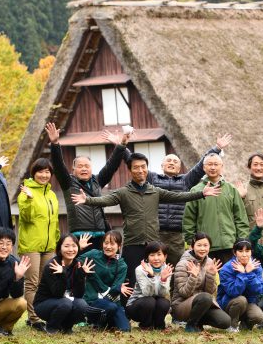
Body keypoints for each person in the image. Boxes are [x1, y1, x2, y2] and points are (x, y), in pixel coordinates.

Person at [72, 153, 221, 285]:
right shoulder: (123, 192)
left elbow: (180, 196)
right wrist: (88, 200)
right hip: (132, 242)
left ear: (147, 169)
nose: (140, 170)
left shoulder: (155, 191)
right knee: (131, 278)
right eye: (136, 167)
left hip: (152, 242)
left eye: (143, 167)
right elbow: (105, 200)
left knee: (154, 278)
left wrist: (201, 193)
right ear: (130, 170)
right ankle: (129, 311)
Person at [139, 134, 231, 267]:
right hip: (155, 232)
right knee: (155, 266)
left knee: (177, 267)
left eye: (175, 162)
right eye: (168, 160)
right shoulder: (152, 179)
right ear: (162, 165)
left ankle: (176, 288)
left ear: (179, 167)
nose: (171, 163)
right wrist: (122, 145)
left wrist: (216, 148)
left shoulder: (185, 181)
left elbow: (200, 166)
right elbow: (137, 166)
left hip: (177, 235)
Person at [45, 123, 129, 252]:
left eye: (87, 166)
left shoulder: (97, 181)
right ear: (73, 169)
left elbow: (111, 166)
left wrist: (120, 146)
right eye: (80, 166)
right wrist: (55, 144)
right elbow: (58, 165)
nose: (84, 169)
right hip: (81, 236)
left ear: (91, 168)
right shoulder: (68, 182)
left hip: (101, 235)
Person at [17, 158, 60, 331]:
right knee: (32, 282)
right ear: (33, 173)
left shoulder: (51, 194)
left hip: (49, 246)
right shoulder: (25, 191)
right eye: (40, 171)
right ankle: (34, 319)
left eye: (47, 171)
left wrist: (56, 242)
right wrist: (28, 199)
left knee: (45, 282)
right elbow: (26, 218)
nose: (44, 175)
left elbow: (55, 221)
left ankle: (41, 315)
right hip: (31, 245)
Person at [183, 153, 250, 264]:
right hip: (204, 246)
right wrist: (191, 241)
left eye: (216, 164)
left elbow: (240, 217)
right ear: (204, 167)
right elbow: (189, 219)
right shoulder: (196, 191)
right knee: (206, 279)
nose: (213, 167)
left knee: (228, 278)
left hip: (229, 244)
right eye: (209, 164)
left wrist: (242, 240)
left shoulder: (231, 189)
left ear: (221, 166)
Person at [171, 233, 231, 332]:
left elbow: (209, 292)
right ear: (192, 246)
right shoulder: (183, 264)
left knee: (225, 321)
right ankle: (191, 325)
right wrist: (193, 277)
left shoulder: (210, 262)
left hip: (203, 303)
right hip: (181, 306)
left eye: (205, 245)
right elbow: (184, 293)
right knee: (205, 298)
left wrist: (210, 275)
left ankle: (198, 321)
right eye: (199, 245)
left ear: (209, 247)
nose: (202, 248)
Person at [33, 234, 92, 334]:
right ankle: (51, 327)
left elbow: (79, 295)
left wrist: (81, 276)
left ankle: (66, 327)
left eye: (74, 246)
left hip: (65, 301)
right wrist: (63, 274)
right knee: (65, 303)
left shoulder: (78, 264)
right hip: (44, 304)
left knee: (82, 305)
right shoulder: (52, 265)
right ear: (59, 249)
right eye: (66, 246)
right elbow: (57, 293)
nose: (71, 249)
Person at [78, 230, 132, 331]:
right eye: (106, 243)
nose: (108, 247)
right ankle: (94, 321)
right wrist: (79, 248)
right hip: (92, 300)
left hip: (111, 301)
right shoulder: (93, 254)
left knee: (125, 329)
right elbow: (74, 262)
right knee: (110, 308)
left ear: (119, 246)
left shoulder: (122, 265)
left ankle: (106, 322)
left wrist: (92, 275)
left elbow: (114, 290)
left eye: (112, 244)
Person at [217, 239, 263, 332]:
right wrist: (243, 275)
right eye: (240, 251)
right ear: (234, 253)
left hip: (249, 302)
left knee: (258, 317)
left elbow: (260, 290)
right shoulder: (226, 269)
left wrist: (249, 273)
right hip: (228, 303)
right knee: (241, 300)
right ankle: (232, 326)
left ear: (251, 252)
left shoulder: (256, 266)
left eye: (247, 251)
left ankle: (245, 325)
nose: (244, 255)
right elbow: (233, 292)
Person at [126, 241, 173, 330]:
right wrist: (151, 276)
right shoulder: (140, 269)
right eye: (152, 255)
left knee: (164, 303)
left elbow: (163, 295)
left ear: (165, 256)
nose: (156, 258)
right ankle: (146, 325)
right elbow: (147, 293)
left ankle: (159, 325)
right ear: (147, 257)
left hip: (153, 303)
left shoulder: (166, 270)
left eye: (159, 254)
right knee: (149, 301)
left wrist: (163, 280)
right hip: (137, 305)